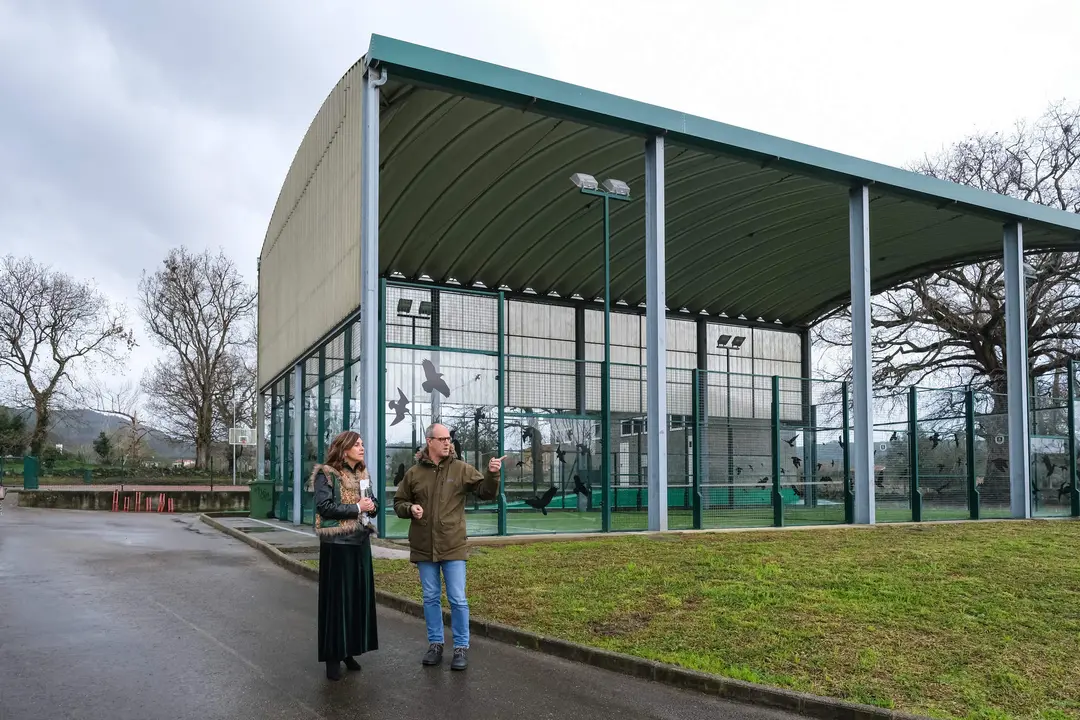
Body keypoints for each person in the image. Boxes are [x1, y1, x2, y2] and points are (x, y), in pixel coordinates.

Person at [393, 423, 504, 671]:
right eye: (442, 439)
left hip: (452, 545)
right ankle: (435, 645)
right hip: (423, 546)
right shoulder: (413, 473)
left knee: (457, 599)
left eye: (449, 439)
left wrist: (493, 474)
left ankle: (461, 648)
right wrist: (410, 508)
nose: (447, 443)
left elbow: (486, 492)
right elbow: (399, 502)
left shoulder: (462, 469)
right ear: (429, 441)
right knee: (431, 598)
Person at [309, 430, 379, 681]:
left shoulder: (362, 473)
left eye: (362, 444)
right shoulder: (326, 473)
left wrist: (372, 505)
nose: (362, 448)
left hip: (360, 542)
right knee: (337, 602)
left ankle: (350, 649)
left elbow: (372, 502)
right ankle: (332, 656)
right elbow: (324, 507)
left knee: (357, 600)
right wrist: (357, 507)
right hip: (337, 544)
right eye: (357, 444)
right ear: (344, 448)